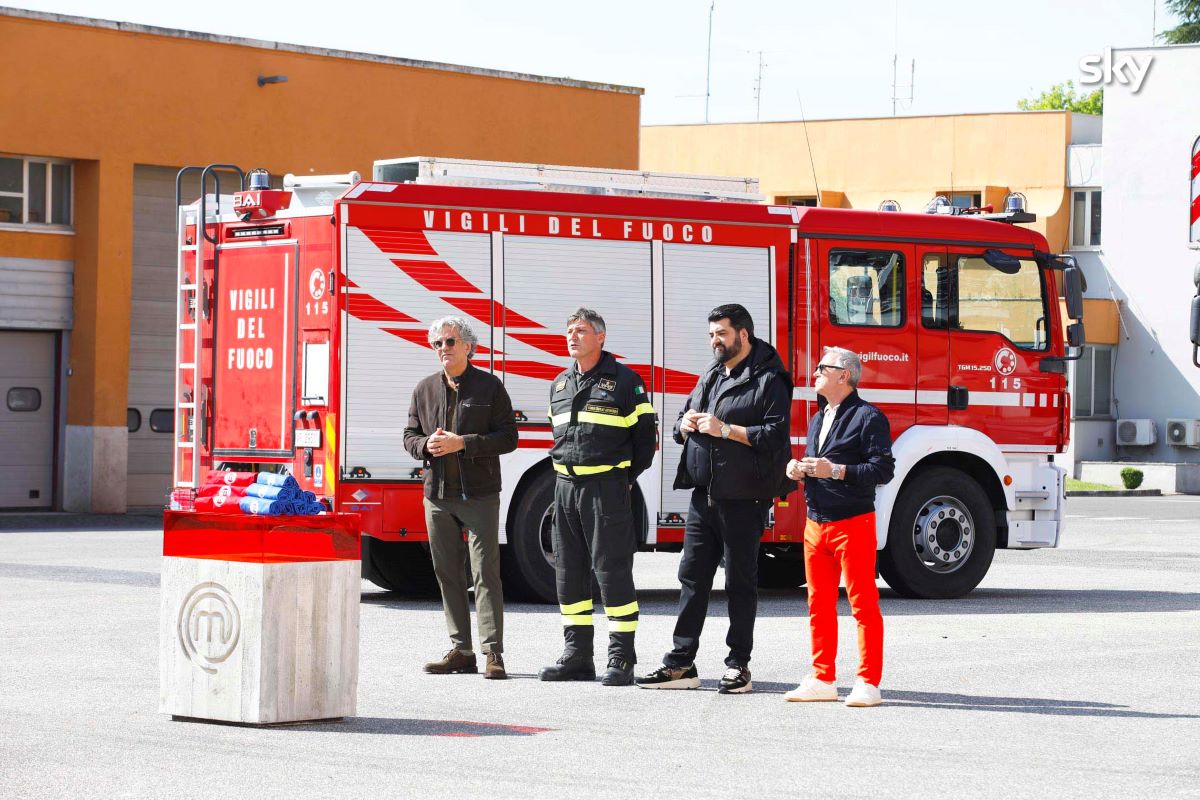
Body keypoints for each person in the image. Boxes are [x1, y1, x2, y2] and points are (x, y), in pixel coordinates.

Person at [636, 304, 793, 695]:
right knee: (691, 578)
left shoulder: (770, 378)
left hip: (745, 497)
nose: (714, 341)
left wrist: (727, 430)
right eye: (710, 335)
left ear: (743, 334)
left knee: (741, 582)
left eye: (720, 333)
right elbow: (682, 418)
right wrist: (683, 424)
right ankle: (681, 664)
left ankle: (738, 665)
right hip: (703, 495)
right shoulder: (713, 372)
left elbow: (775, 435)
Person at [539, 308, 658, 686]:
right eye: (569, 330)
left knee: (612, 572)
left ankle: (621, 658)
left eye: (582, 331)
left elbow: (645, 440)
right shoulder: (559, 384)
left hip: (605, 490)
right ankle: (576, 656)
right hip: (565, 489)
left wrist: (624, 477)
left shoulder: (625, 382)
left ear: (601, 337)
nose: (573, 337)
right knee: (568, 573)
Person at [403, 316, 518, 679]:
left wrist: (463, 444)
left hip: (479, 495)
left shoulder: (490, 387)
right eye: (437, 343)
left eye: (449, 342)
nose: (443, 349)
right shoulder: (424, 389)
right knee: (448, 573)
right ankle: (461, 650)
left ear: (468, 346)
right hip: (437, 496)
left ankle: (492, 652)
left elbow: (508, 438)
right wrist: (426, 445)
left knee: (486, 573)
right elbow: (409, 434)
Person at [783, 346, 894, 707]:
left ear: (844, 375)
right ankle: (822, 677)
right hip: (816, 523)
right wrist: (797, 468)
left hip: (853, 523)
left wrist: (838, 471)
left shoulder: (868, 417)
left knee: (862, 604)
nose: (813, 373)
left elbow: (883, 470)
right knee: (818, 604)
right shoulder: (820, 417)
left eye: (821, 368)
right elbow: (821, 463)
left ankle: (868, 682)